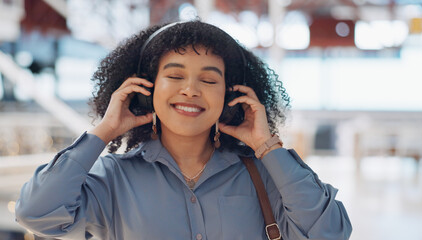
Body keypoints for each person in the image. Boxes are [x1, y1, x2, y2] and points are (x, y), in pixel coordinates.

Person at [15, 20, 352, 240]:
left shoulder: (263, 176)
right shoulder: (112, 178)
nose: (191, 89)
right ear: (147, 89)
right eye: (175, 76)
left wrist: (268, 147)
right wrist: (103, 132)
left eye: (208, 80)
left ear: (229, 95)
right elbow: (37, 213)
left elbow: (330, 232)